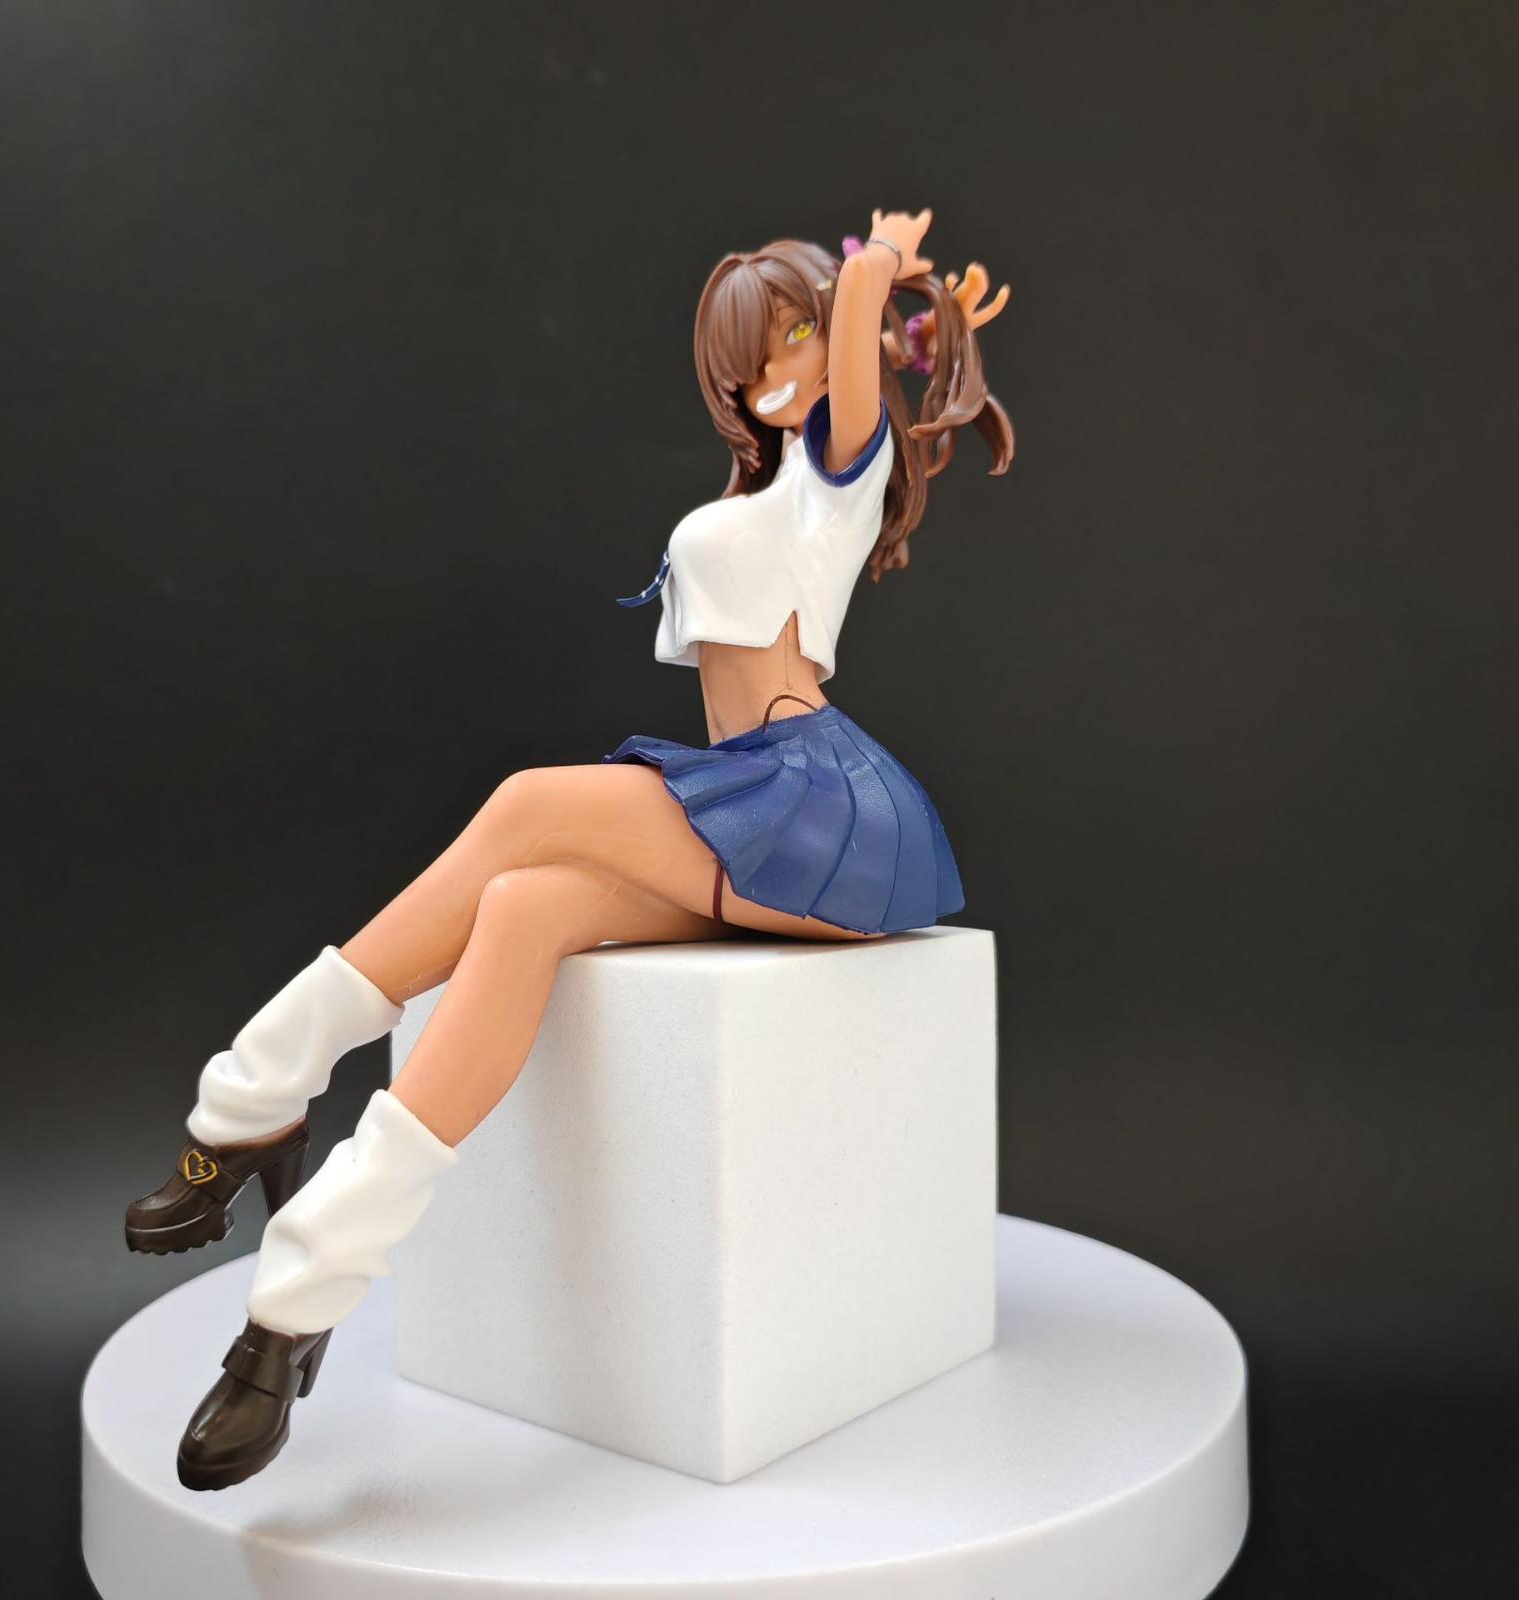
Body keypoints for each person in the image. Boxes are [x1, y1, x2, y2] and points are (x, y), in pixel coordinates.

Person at [124, 206, 1014, 1491]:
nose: (771, 375)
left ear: (838, 342)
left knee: (528, 805)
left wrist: (875, 270)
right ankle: (296, 1306)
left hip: (819, 809)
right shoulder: (768, 491)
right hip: (749, 817)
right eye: (747, 359)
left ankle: (253, 1096)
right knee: (524, 908)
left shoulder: (840, 473)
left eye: (795, 340)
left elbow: (859, 344)